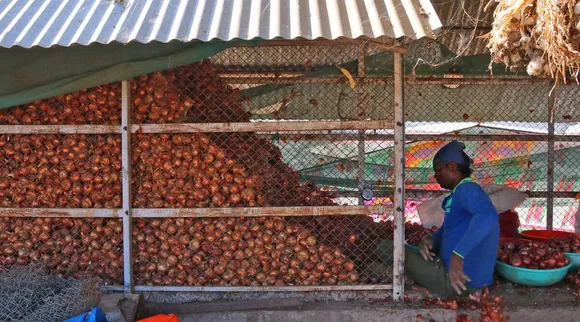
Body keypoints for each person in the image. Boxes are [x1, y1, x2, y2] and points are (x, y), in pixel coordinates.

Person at [405, 140, 499, 297]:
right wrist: (431, 238)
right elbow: (450, 228)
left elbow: (488, 216)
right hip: (456, 276)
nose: (436, 176)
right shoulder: (460, 193)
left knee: (392, 250)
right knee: (408, 254)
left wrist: (458, 256)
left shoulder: (467, 189)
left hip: (459, 282)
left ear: (452, 167)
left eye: (438, 170)